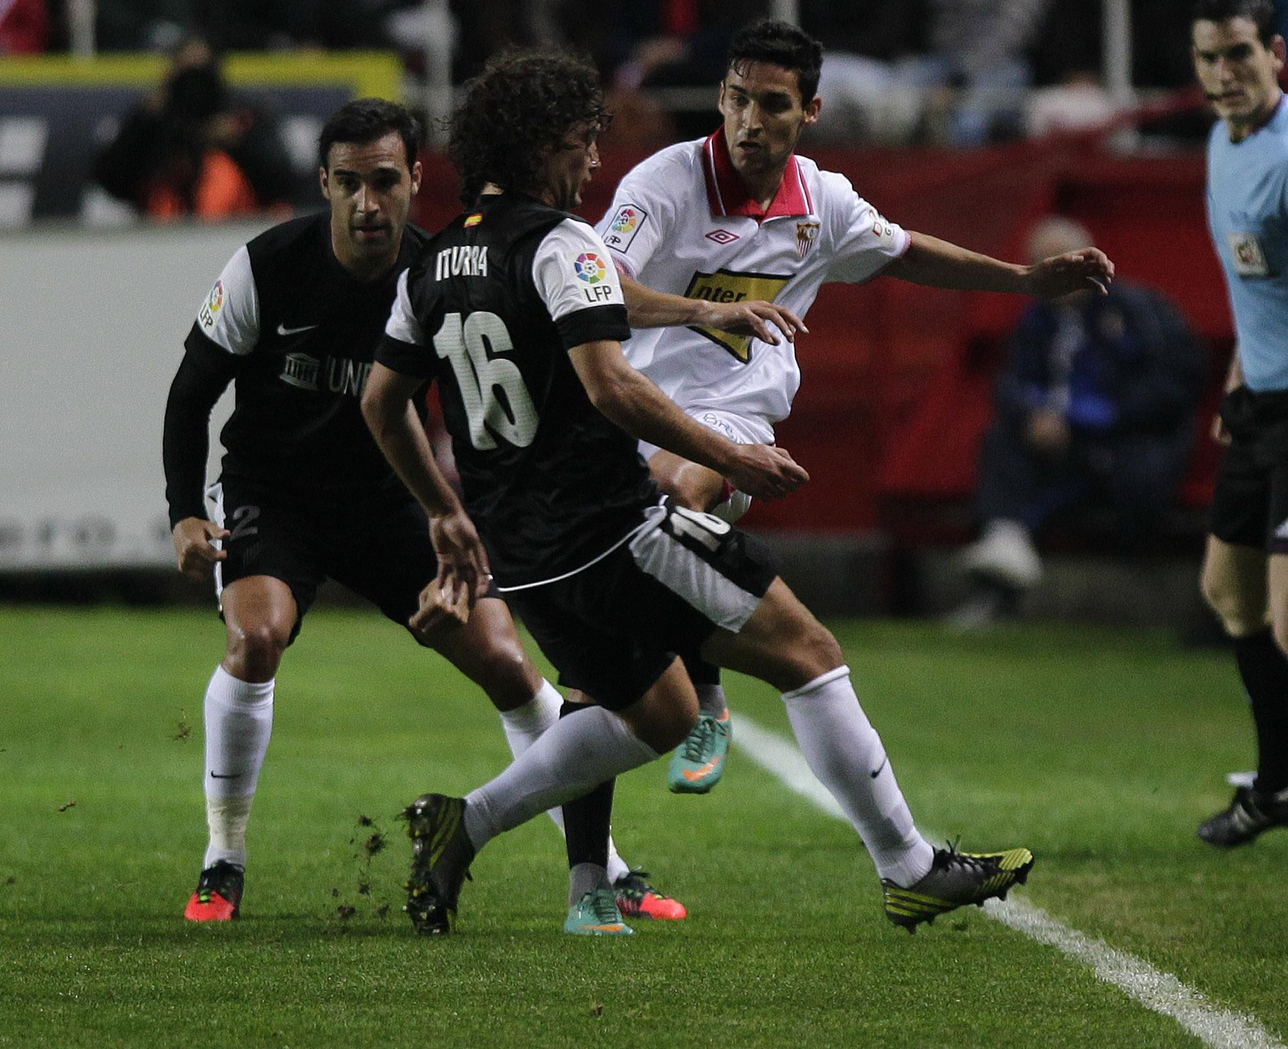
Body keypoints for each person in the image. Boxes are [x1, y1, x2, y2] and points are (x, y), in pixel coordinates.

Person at [362, 48, 1034, 938]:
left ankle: (464, 824)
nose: (592, 164)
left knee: (658, 714)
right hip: (613, 529)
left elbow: (381, 401)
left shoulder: (433, 262)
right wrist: (735, 455)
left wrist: (446, 510)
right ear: (534, 148)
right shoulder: (562, 244)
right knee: (808, 650)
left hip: (522, 553)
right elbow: (612, 387)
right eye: (577, 145)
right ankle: (910, 868)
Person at [160, 97, 683, 925]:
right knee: (254, 635)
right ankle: (223, 858)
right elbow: (191, 396)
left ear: (413, 181)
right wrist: (186, 512)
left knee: (507, 663)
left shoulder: (439, 272)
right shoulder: (266, 266)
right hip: (275, 496)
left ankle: (605, 864)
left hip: (396, 503)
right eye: (349, 185)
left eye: (386, 182)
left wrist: (458, 521)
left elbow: (532, 366)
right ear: (324, 185)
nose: (368, 204)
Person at [596, 19, 1115, 793]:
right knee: (596, 659)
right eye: (738, 99)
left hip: (733, 426)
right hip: (632, 416)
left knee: (678, 493)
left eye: (773, 104)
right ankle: (585, 871)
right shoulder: (662, 183)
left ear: (809, 112)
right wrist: (709, 311)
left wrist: (1022, 279)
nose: (749, 120)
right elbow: (601, 294)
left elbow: (910, 253)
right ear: (719, 96)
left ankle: (706, 694)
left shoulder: (825, 203)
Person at [950, 217, 1206, 628]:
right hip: (1054, 446)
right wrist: (1035, 415)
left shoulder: (1139, 311)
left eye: (1061, 263)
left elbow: (1175, 385)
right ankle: (1003, 551)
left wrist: (1087, 420)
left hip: (1124, 445)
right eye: (1043, 264)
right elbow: (1010, 382)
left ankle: (1013, 562)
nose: (1053, 274)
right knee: (1000, 442)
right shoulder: (1033, 322)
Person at [1191, 0, 1288, 847]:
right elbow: (1256, 286)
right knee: (1231, 596)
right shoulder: (1224, 145)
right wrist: (1238, 378)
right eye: (1208, 58)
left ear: (1277, 56)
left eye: (1240, 54)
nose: (1224, 73)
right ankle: (1278, 785)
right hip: (1258, 405)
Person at [96, 40, 289, 222]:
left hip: (232, 234)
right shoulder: (155, 120)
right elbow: (111, 183)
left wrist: (236, 141)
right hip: (161, 239)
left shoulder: (241, 118)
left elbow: (282, 184)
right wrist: (145, 121)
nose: (193, 89)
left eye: (201, 73)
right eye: (186, 75)